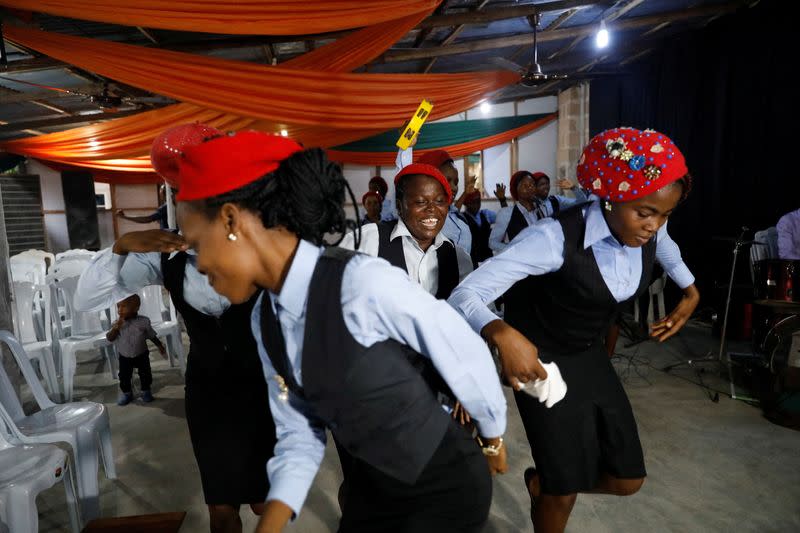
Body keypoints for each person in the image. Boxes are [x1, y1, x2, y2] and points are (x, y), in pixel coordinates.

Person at [171, 130, 508, 533]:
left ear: (230, 220)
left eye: (196, 243)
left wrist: (492, 434)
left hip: (441, 486)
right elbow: (299, 432)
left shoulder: (358, 282)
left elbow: (461, 346)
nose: (199, 263)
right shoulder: (266, 319)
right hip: (372, 485)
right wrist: (271, 523)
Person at [449, 127, 700, 533]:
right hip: (541, 359)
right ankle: (552, 487)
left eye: (664, 214)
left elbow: (666, 245)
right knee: (562, 490)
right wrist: (500, 331)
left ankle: (541, 482)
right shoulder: (551, 238)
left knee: (627, 479)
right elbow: (466, 293)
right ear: (609, 199)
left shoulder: (651, 227)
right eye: (645, 212)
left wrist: (690, 291)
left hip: (588, 353)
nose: (654, 225)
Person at [75, 124, 276, 533]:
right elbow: (85, 300)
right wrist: (122, 245)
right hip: (209, 392)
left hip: (265, 389)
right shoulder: (164, 256)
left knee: (263, 504)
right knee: (222, 508)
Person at [341, 163, 473, 297]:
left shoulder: (458, 259)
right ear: (399, 206)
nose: (432, 209)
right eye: (421, 202)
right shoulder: (367, 241)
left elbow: (472, 309)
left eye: (440, 201)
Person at [490, 171, 587, 253]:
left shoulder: (542, 209)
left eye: (532, 184)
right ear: (516, 189)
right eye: (525, 185)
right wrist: (515, 251)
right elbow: (493, 243)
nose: (530, 188)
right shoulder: (506, 213)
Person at [105, 293, 165, 405]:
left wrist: (159, 345)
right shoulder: (116, 324)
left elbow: (151, 335)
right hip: (124, 356)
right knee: (124, 376)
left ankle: (146, 390)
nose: (120, 310)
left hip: (141, 354)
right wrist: (115, 329)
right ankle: (127, 393)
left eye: (123, 306)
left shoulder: (144, 321)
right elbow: (110, 338)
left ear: (136, 308)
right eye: (118, 306)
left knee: (145, 373)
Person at [418, 149, 472, 254]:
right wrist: (405, 147)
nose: (454, 187)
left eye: (456, 182)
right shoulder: (425, 217)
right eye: (447, 180)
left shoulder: (456, 217)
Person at [462, 189, 498, 266]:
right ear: (466, 203)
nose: (476, 205)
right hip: (471, 260)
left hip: (488, 258)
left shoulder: (486, 214)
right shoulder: (462, 218)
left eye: (478, 202)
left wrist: (502, 200)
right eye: (472, 202)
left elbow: (505, 218)